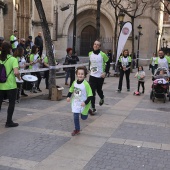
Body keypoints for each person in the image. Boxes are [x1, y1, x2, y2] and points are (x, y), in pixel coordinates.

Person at [66, 66, 92, 136]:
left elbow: (90, 95)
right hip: (76, 102)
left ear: (84, 75)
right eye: (79, 74)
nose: (80, 75)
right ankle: (77, 129)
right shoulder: (74, 82)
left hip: (84, 103)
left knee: (84, 118)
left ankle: (87, 110)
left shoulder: (86, 84)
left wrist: (85, 102)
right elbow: (71, 90)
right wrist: (68, 96)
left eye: (82, 74)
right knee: (75, 116)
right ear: (77, 74)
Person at [0, 42, 20, 127]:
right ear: (10, 49)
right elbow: (16, 72)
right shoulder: (13, 59)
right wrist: (19, 77)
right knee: (11, 104)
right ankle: (9, 122)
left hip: (0, 85)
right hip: (11, 85)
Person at [88, 40, 109, 114]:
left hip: (100, 76)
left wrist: (105, 72)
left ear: (100, 47)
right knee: (92, 92)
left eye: (97, 45)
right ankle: (93, 107)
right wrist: (89, 69)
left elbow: (108, 63)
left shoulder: (103, 54)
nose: (96, 45)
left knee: (99, 90)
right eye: (95, 44)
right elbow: (90, 62)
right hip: (92, 76)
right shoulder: (90, 53)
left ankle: (102, 97)